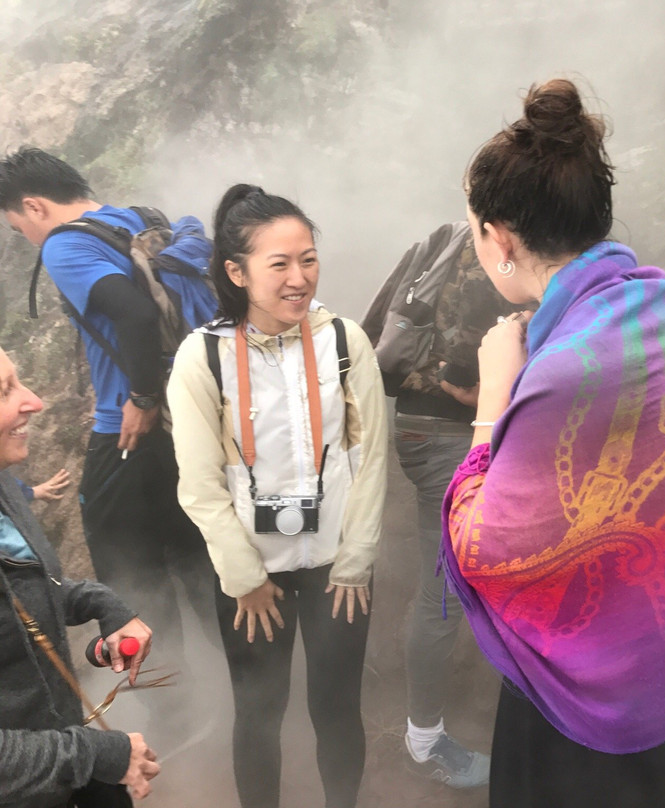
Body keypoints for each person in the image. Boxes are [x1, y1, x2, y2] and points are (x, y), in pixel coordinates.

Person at [441, 78, 665, 808]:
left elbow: (482, 546)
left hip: (598, 715)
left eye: (474, 231)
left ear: (502, 242)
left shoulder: (560, 372)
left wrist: (493, 398)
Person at [167, 185, 388, 808]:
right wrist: (242, 575)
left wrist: (356, 558)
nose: (300, 279)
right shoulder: (203, 355)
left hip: (336, 567)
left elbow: (370, 458)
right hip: (251, 573)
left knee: (338, 707)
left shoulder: (344, 341)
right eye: (280, 264)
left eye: (309, 259)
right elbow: (199, 481)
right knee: (258, 713)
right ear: (237, 273)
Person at [0, 148, 217, 692]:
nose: (25, 236)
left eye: (17, 224)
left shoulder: (66, 244)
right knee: (197, 559)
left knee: (128, 575)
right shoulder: (140, 220)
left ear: (33, 205)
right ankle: (254, 681)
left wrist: (141, 398)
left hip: (129, 435)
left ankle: (171, 707)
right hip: (189, 426)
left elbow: (138, 314)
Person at [362, 223, 515, 787]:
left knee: (451, 583)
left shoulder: (443, 238)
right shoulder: (496, 260)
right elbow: (463, 381)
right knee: (444, 588)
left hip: (418, 430)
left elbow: (371, 333)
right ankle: (424, 741)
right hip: (449, 437)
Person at [0, 346, 159, 806]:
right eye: (6, 390)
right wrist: (94, 755)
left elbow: (28, 591)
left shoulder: (5, 485)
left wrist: (103, 607)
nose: (34, 401)